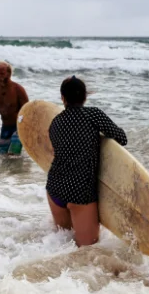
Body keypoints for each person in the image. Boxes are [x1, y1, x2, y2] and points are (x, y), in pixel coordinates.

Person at [47, 76, 126, 247]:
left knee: (61, 244)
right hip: (80, 191)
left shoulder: (55, 122)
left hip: (54, 188)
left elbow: (57, 151)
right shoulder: (93, 114)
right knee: (87, 252)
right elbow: (121, 138)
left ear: (63, 98)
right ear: (85, 96)